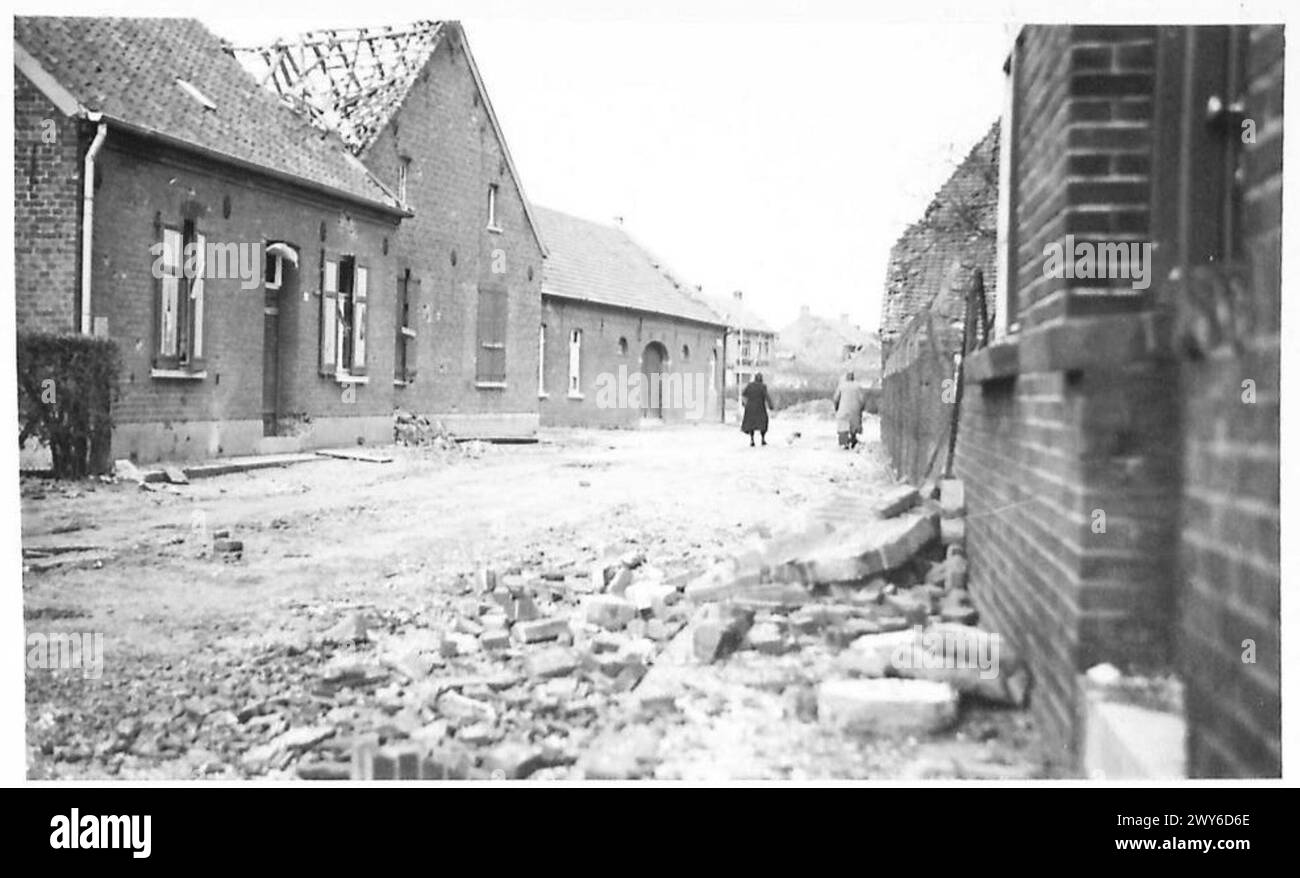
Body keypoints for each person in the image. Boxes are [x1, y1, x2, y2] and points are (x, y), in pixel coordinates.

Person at [832, 371, 868, 449]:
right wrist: (861, 408)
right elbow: (862, 399)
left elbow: (836, 399)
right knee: (854, 425)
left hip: (843, 409)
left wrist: (836, 407)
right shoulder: (858, 386)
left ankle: (844, 442)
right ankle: (853, 439)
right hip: (855, 410)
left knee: (843, 425)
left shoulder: (841, 386)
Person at [740, 373, 771, 447]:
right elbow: (767, 396)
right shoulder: (763, 386)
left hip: (750, 407)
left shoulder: (750, 385)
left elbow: (744, 394)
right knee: (763, 423)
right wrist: (771, 405)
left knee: (751, 424)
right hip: (760, 407)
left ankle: (752, 439)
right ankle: (763, 439)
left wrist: (743, 404)